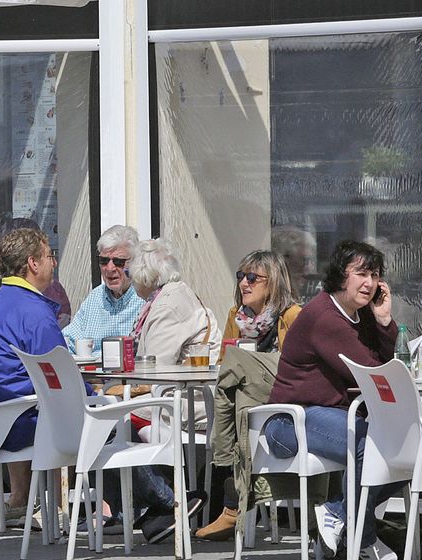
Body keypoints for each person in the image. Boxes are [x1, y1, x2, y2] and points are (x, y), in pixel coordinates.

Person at [259, 239, 404, 560]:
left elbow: (379, 363)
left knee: (407, 448)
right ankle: (361, 538)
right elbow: (369, 373)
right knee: (371, 444)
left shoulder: (359, 315)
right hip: (288, 422)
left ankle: (339, 512)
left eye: (375, 275)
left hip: (328, 416)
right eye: (361, 273)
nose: (369, 283)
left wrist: (383, 321)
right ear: (341, 274)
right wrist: (382, 332)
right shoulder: (325, 316)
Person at [196, 250, 304, 541]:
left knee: (238, 393)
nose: (244, 283)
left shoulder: (292, 316)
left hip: (283, 400)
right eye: (241, 276)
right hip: (247, 404)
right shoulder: (236, 316)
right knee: (239, 395)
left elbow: (300, 367)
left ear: (273, 283)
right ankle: (233, 505)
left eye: (253, 278)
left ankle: (232, 507)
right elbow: (223, 362)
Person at [0, 227, 66, 511]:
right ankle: (77, 507)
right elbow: (61, 384)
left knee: (36, 399)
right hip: (22, 425)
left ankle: (23, 499)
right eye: (49, 256)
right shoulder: (34, 313)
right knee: (115, 420)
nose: (53, 263)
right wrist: (99, 397)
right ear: (33, 263)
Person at [130, 237, 218, 367]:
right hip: (186, 382)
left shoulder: (167, 306)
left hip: (182, 385)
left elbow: (156, 368)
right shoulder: (177, 292)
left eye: (129, 273)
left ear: (142, 274)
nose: (131, 280)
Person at [62, 224, 146, 351]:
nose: (110, 268)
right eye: (104, 261)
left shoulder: (145, 300)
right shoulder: (95, 297)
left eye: (119, 262)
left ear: (135, 262)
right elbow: (68, 339)